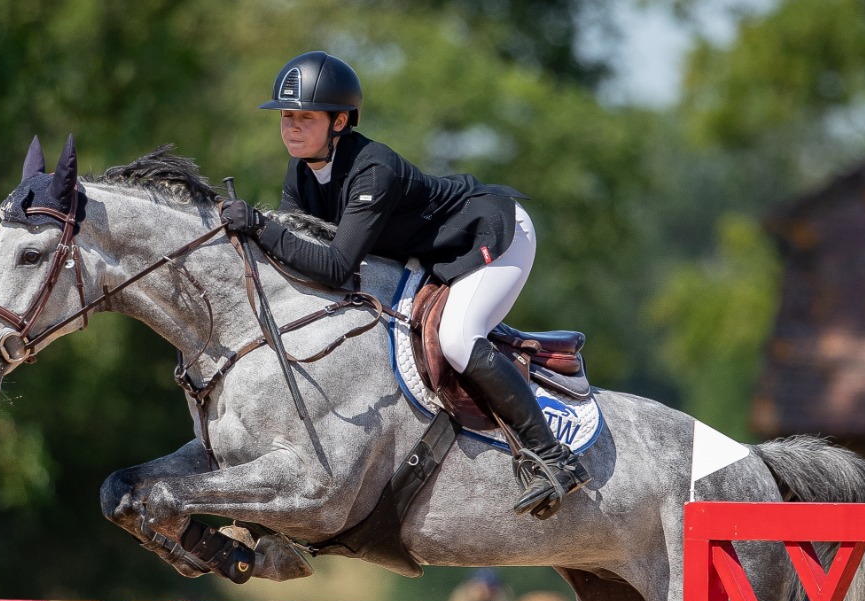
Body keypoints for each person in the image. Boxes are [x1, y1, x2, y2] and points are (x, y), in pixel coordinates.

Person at [219, 51, 589, 518]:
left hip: (493, 235)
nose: (291, 127)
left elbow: (333, 266)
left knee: (456, 337)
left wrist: (259, 225)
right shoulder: (300, 171)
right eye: (286, 116)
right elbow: (301, 250)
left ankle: (554, 459)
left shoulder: (373, 169)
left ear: (340, 122)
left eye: (304, 117)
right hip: (430, 254)